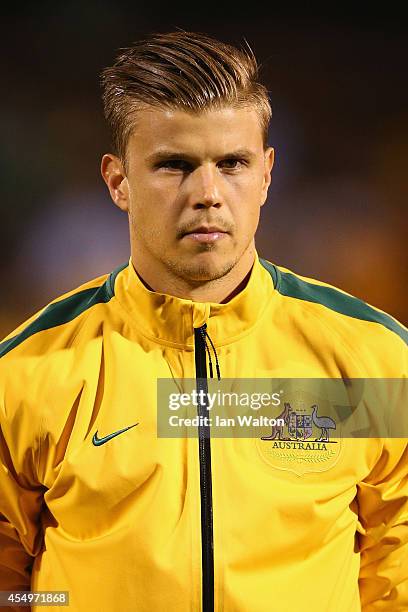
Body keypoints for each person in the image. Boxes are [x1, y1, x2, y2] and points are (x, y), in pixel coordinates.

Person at [0, 30, 407, 612]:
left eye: (232, 163)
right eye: (174, 165)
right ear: (118, 181)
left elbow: (397, 564)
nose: (208, 193)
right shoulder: (25, 372)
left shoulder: (375, 359)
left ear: (267, 173)